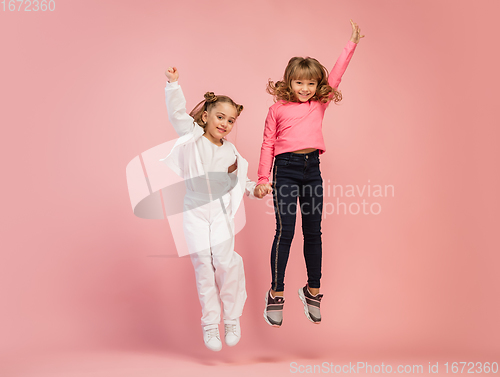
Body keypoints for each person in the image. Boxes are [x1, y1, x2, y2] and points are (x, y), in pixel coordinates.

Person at [258, 20, 364, 327]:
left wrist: (352, 43)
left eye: (311, 84)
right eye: (300, 83)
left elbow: (337, 73)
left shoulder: (319, 104)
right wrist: (264, 179)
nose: (305, 89)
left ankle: (312, 290)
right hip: (286, 171)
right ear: (289, 83)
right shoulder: (277, 109)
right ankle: (276, 293)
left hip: (312, 171)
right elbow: (267, 144)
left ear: (319, 87)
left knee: (313, 232)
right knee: (285, 232)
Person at [161, 67, 267, 351]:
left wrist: (255, 189)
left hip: (219, 212)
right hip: (195, 209)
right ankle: (210, 324)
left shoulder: (231, 152)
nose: (225, 124)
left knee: (224, 261)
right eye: (220, 117)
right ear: (206, 116)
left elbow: (241, 181)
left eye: (231, 120)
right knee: (203, 266)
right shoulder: (193, 137)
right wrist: (173, 84)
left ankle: (231, 318)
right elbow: (178, 115)